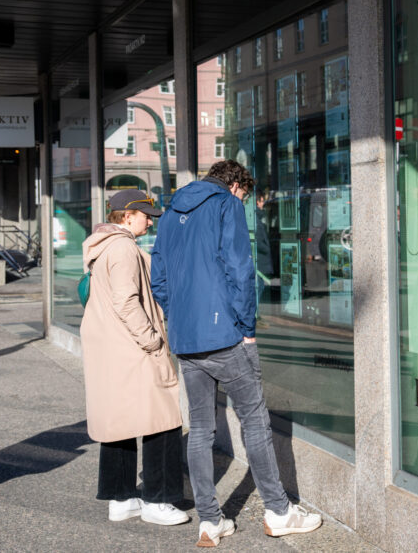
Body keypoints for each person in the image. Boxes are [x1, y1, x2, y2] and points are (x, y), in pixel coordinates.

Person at [150, 160, 322, 546]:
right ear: (234, 186)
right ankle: (279, 512)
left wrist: (178, 315)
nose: (243, 202)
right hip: (225, 336)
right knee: (255, 423)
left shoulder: (171, 211)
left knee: (200, 429)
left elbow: (157, 277)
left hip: (185, 338)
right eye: (244, 196)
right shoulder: (225, 204)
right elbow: (240, 270)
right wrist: (246, 327)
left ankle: (210, 521)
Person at [80, 189, 188, 526]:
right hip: (134, 347)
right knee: (164, 422)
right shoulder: (123, 248)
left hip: (111, 348)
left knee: (119, 423)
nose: (149, 223)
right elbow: (126, 301)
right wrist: (153, 341)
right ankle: (158, 500)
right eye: (145, 216)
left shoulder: (102, 246)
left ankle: (121, 498)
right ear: (127, 216)